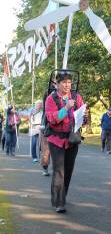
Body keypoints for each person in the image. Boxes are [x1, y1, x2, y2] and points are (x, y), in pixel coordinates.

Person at [45, 70, 85, 213]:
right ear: (57, 84)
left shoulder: (76, 97)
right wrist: (66, 108)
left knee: (68, 170)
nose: (67, 85)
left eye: (69, 82)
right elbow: (51, 118)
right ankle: (58, 202)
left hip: (72, 139)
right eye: (64, 82)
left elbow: (82, 116)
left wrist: (84, 116)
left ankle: (63, 197)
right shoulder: (51, 99)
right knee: (59, 171)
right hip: (56, 139)